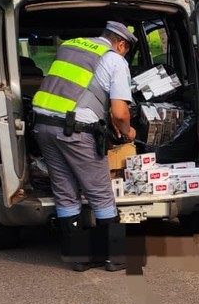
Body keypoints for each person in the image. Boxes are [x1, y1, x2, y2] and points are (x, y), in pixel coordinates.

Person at [32, 20, 138, 271]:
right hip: (75, 130)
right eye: (125, 50)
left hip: (43, 125)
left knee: (65, 189)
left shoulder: (70, 47)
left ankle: (78, 257)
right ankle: (116, 256)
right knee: (100, 192)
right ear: (121, 44)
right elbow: (121, 113)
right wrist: (127, 133)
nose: (123, 54)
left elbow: (75, 89)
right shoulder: (114, 60)